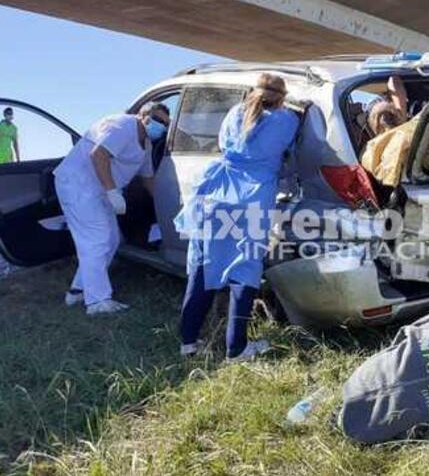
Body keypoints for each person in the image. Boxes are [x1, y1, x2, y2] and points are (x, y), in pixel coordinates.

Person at [175, 73, 299, 361]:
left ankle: (188, 342)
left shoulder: (234, 113)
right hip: (252, 199)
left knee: (204, 268)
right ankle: (237, 348)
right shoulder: (286, 120)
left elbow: (224, 144)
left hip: (216, 193)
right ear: (281, 98)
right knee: (244, 270)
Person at [54, 103, 170, 314]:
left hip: (100, 189)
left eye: (165, 124)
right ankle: (98, 302)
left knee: (110, 240)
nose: (161, 126)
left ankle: (77, 291)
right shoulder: (122, 126)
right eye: (158, 120)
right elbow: (98, 154)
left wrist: (163, 206)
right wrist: (112, 192)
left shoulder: (146, 144)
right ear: (143, 116)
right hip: (80, 185)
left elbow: (148, 179)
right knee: (96, 240)